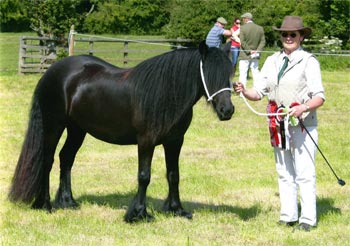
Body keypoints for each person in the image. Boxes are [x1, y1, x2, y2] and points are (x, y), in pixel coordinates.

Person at [234, 16, 325, 231]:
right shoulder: (272, 61)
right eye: (284, 34)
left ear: (301, 36)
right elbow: (259, 92)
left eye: (293, 34)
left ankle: (308, 219)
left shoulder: (309, 61)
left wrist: (303, 108)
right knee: (284, 172)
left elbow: (319, 97)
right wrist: (244, 90)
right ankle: (288, 215)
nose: (288, 38)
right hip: (278, 125)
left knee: (304, 172)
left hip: (303, 125)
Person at [238, 12, 265, 86]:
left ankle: (242, 92)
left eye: (243, 18)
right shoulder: (260, 28)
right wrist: (257, 51)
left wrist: (250, 51)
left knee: (243, 74)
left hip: (244, 54)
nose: (243, 20)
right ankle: (257, 89)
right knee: (255, 72)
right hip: (256, 54)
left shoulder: (243, 28)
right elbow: (263, 41)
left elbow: (242, 42)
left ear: (246, 19)